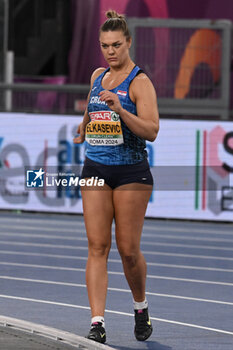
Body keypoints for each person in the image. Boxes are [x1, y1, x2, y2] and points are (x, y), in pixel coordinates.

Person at [73, 9, 159, 344]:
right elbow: (92, 107)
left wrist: (121, 110)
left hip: (131, 172)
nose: (110, 51)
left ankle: (141, 305)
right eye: (105, 45)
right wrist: (84, 126)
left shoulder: (140, 83)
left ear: (128, 43)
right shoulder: (97, 75)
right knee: (97, 245)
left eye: (116, 45)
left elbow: (152, 130)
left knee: (127, 250)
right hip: (95, 167)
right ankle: (97, 322)